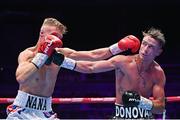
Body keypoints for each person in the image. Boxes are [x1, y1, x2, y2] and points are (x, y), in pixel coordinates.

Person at [6, 17, 139, 119]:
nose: (56, 40)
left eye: (59, 37)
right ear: (42, 33)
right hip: (22, 109)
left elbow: (93, 56)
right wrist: (42, 55)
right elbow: (21, 77)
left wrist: (119, 47)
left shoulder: (60, 54)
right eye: (53, 35)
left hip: (45, 111)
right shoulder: (27, 54)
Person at [49, 27, 166, 119]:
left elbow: (160, 107)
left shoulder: (158, 73)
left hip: (145, 117)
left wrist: (141, 102)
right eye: (144, 43)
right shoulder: (123, 62)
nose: (145, 49)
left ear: (158, 51)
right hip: (120, 116)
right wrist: (64, 62)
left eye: (151, 47)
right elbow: (91, 67)